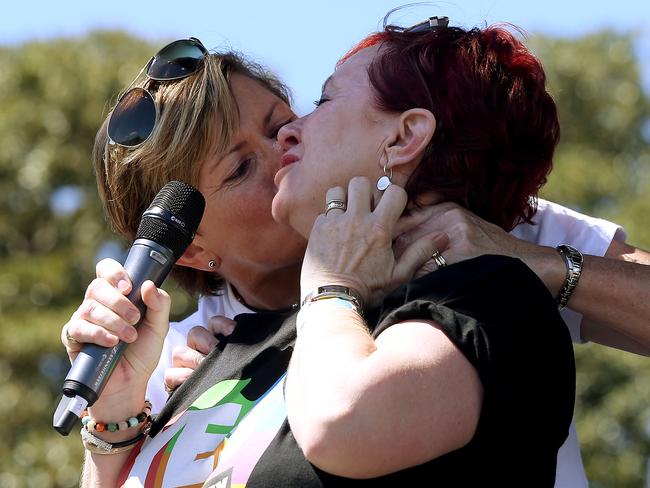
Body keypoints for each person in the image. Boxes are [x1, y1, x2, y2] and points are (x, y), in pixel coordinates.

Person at [61, 19, 650, 487]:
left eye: (283, 120)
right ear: (191, 249)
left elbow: (346, 422)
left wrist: (540, 264)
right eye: (241, 168)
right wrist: (117, 418)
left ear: (403, 137)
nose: (284, 145)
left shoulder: (483, 240)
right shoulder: (172, 357)